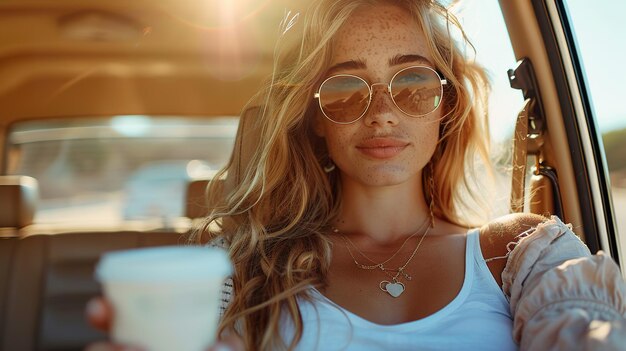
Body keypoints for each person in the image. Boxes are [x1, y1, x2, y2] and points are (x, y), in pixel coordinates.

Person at [87, 0, 626, 350]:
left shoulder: (519, 253)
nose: (384, 112)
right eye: (345, 89)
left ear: (446, 106)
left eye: (412, 82)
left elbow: (587, 331)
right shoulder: (241, 270)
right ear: (315, 121)